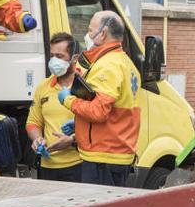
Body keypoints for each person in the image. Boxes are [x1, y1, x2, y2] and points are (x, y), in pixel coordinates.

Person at [57, 11, 140, 186]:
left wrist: (68, 100)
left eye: (90, 30)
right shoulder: (125, 63)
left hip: (103, 158)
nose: (87, 35)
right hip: (117, 154)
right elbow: (114, 111)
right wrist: (79, 123)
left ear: (102, 34)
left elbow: (98, 112)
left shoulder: (107, 66)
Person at [25, 33, 84, 182]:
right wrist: (38, 139)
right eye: (52, 55)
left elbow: (98, 123)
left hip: (78, 165)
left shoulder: (86, 85)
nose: (54, 61)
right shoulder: (43, 86)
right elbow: (33, 123)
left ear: (74, 58)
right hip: (47, 167)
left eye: (60, 56)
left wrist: (72, 140)